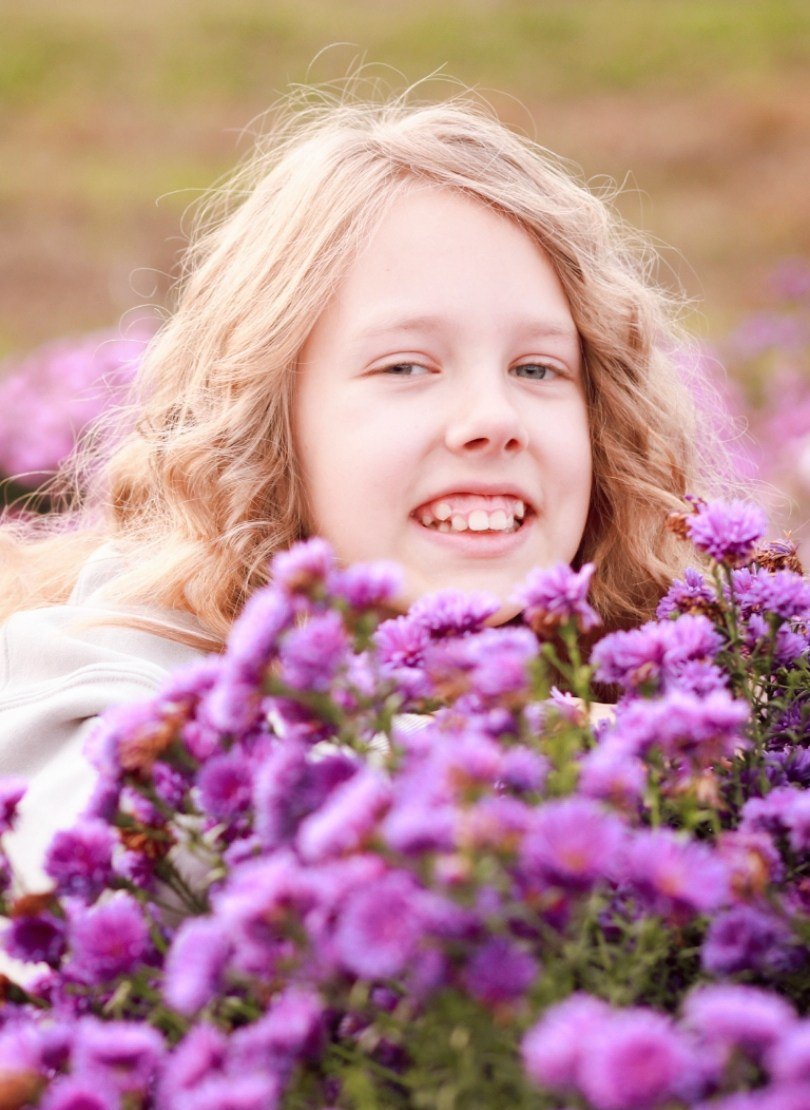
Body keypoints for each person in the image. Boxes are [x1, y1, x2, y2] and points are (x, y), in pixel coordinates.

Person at [0, 87, 723, 888]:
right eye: (406, 366)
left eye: (537, 368)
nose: (493, 417)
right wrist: (543, 757)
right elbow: (80, 855)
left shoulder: (665, 674)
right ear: (265, 419)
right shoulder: (112, 657)